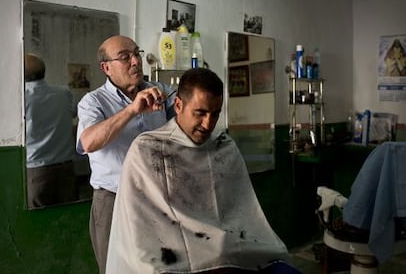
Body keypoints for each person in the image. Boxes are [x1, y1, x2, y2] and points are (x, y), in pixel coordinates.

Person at [106, 68, 300, 274]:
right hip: (172, 257)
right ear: (178, 105)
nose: (208, 124)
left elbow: (241, 212)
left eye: (215, 114)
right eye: (200, 113)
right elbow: (141, 228)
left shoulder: (223, 145)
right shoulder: (149, 150)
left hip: (227, 248)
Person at [76, 35, 176, 274]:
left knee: (163, 268)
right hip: (113, 199)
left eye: (137, 53)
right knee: (116, 269)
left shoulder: (159, 90)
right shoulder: (93, 102)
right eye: (125, 57)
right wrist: (132, 110)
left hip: (159, 197)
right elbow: (88, 142)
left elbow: (185, 116)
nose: (135, 61)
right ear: (106, 67)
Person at [25, 53, 77, 208]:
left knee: (38, 222)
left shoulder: (21, 99)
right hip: (66, 168)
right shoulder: (64, 93)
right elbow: (73, 114)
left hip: (36, 170)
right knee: (69, 217)